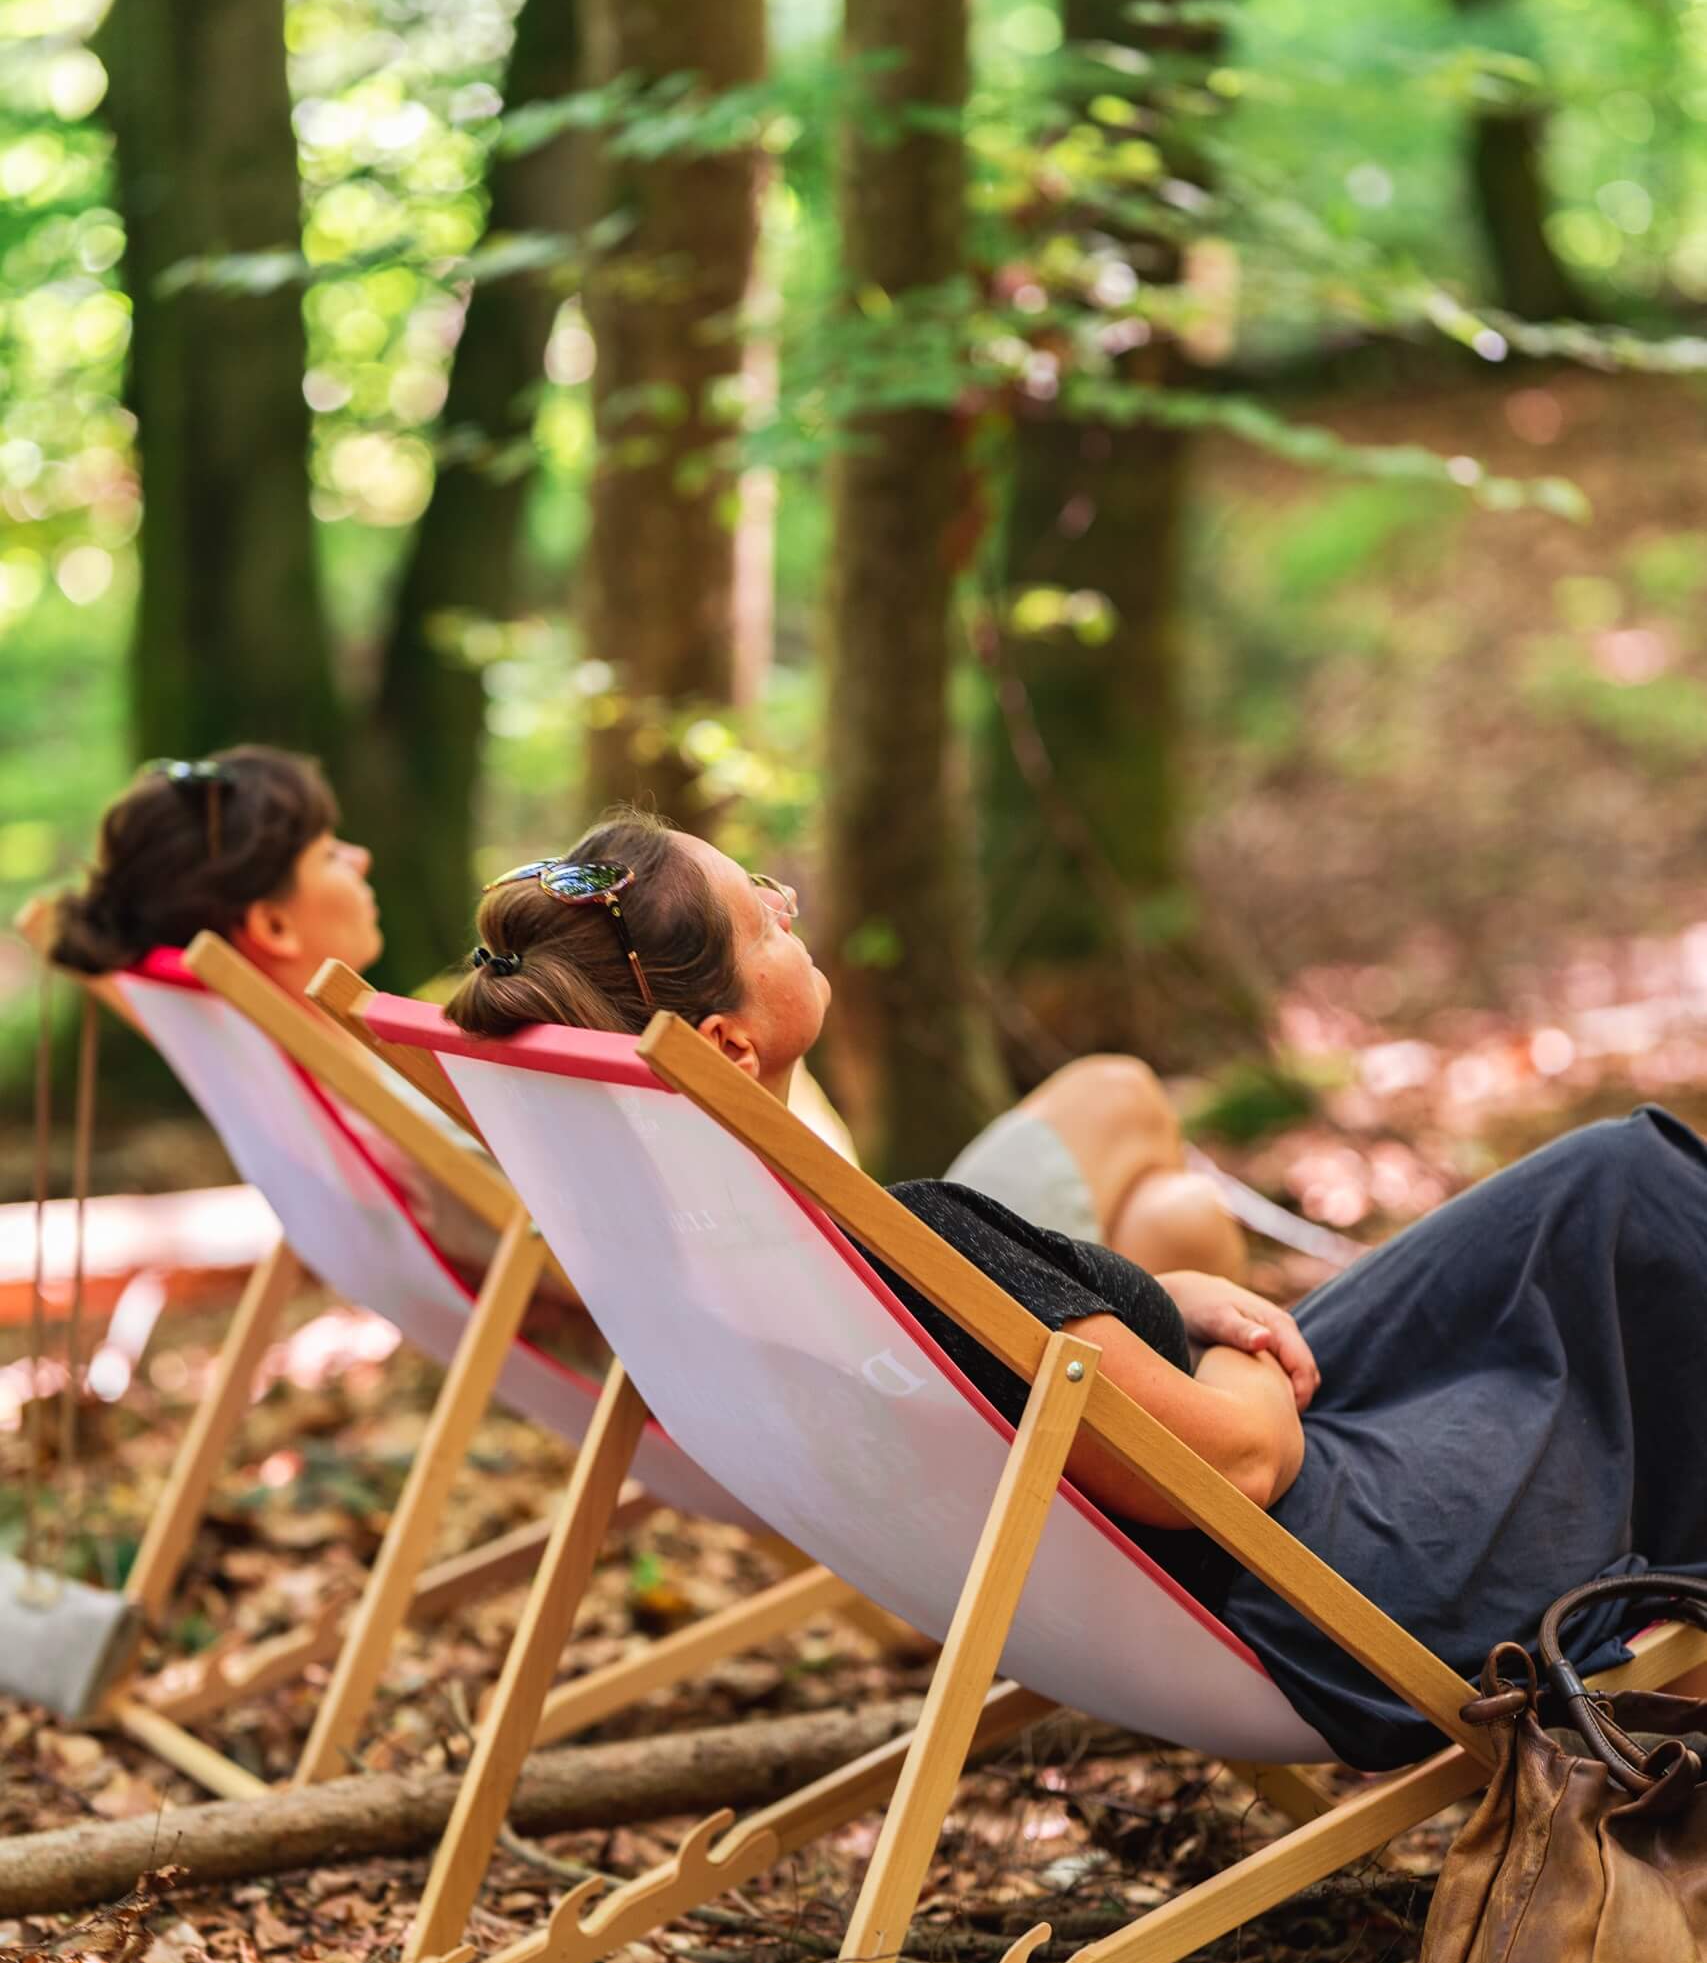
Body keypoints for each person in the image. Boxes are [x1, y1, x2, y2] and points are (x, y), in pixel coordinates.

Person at [447, 815, 1707, 1771]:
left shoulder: (727, 1252)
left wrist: (1166, 1296)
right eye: (761, 918)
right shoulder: (899, 1241)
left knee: (1593, 1192)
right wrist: (1240, 1360)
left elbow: (1054, 1371)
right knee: (1637, 1206)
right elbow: (1234, 1470)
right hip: (1333, 1580)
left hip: (1188, 1552)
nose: (787, 901)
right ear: (723, 1047)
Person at [44, 752, 1245, 1284]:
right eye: (325, 848)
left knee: (1176, 1224)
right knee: (1121, 1093)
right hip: (879, 1325)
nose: (357, 854)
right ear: (268, 927)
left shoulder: (368, 1052)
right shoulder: (422, 1059)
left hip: (793, 1350)